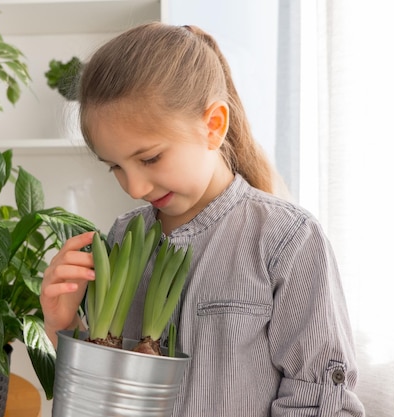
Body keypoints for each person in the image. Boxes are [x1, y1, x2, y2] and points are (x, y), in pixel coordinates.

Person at [40, 22, 365, 416]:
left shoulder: (286, 239)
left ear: (213, 125)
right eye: (115, 167)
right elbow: (101, 395)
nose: (135, 187)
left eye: (149, 158)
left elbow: (321, 401)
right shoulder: (124, 237)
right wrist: (63, 324)